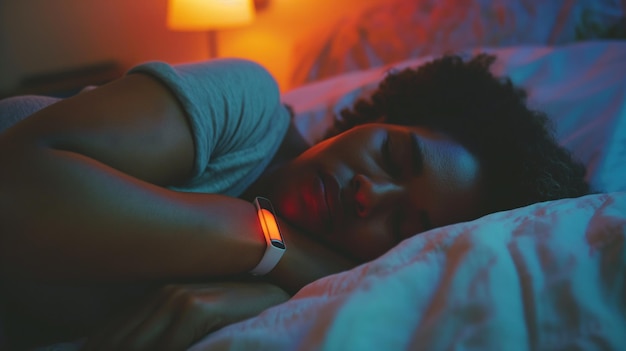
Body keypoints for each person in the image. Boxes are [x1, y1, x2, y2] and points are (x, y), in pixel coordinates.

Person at [0, 54, 589, 350]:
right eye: (391, 154)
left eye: (403, 225)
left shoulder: (320, 302)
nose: (369, 193)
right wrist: (264, 241)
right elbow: (13, 188)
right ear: (377, 118)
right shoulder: (249, 109)